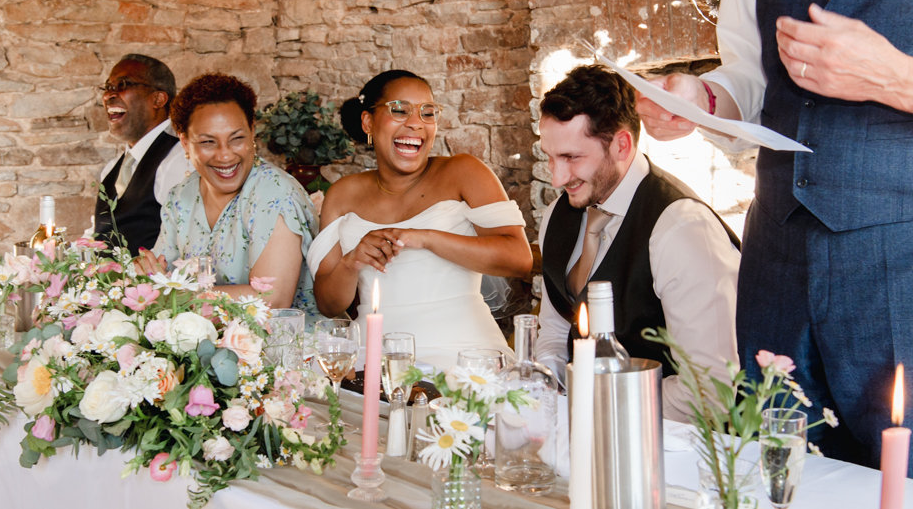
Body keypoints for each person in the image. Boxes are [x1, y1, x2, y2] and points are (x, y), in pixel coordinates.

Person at [636, 0, 913, 466]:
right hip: (776, 261)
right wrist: (704, 98)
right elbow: (751, 74)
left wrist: (896, 78)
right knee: (773, 471)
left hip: (903, 264)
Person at [535, 65, 741, 422]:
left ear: (622, 144)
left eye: (571, 157)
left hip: (674, 447)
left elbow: (713, 389)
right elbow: (555, 328)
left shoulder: (681, 230)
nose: (557, 177)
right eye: (550, 157)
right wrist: (545, 389)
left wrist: (602, 408)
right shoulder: (557, 214)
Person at [308, 70, 533, 370]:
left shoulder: (464, 172)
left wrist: (426, 238)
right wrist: (352, 262)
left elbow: (519, 259)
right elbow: (328, 305)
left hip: (463, 357)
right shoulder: (341, 195)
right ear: (368, 122)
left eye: (428, 113)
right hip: (369, 358)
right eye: (399, 110)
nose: (416, 123)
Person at [135, 73, 320, 318]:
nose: (225, 156)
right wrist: (150, 277)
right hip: (203, 343)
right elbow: (158, 274)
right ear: (184, 142)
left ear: (252, 131)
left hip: (285, 345)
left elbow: (272, 299)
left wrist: (174, 295)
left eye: (237, 139)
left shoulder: (275, 191)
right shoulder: (180, 196)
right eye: (208, 142)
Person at [92, 54, 192, 251]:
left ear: (157, 99)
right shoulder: (112, 169)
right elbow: (99, 234)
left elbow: (184, 243)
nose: (108, 96)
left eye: (122, 85)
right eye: (108, 87)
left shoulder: (179, 159)